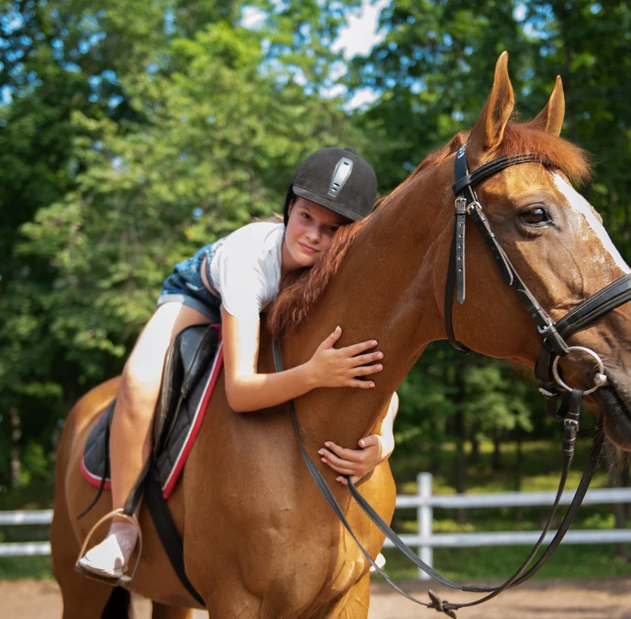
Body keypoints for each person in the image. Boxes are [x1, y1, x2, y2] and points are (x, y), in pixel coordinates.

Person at [77, 147, 399, 581]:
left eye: (331, 228)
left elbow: (374, 369)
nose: (313, 236)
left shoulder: (341, 270)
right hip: (202, 295)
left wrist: (385, 444)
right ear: (289, 207)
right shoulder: (251, 258)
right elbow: (242, 391)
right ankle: (121, 528)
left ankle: (344, 530)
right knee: (138, 380)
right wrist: (314, 374)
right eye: (305, 217)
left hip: (276, 302)